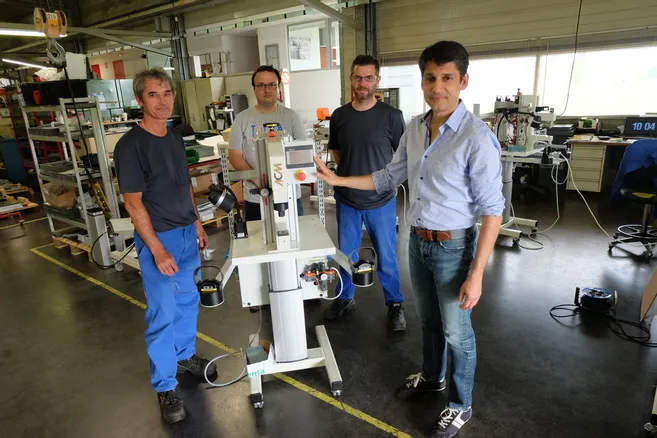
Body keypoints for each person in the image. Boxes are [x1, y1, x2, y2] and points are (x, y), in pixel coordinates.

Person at [314, 41, 504, 438]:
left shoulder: (475, 137)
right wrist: (338, 179)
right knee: (430, 322)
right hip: (418, 241)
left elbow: (492, 211)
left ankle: (460, 404)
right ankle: (433, 378)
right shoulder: (416, 128)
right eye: (431, 78)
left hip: (454, 246)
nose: (438, 87)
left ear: (463, 81)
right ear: (422, 82)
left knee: (457, 331)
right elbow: (387, 176)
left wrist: (478, 273)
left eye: (447, 78)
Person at [114, 68, 217, 425]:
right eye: (154, 94)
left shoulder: (174, 137)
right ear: (140, 100)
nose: (163, 100)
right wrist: (157, 249)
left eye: (167, 92)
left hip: (187, 233)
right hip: (159, 238)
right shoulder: (130, 146)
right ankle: (165, 386)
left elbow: (184, 184)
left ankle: (185, 355)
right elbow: (133, 203)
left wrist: (198, 221)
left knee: (189, 301)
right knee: (163, 312)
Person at [323, 55, 407, 331]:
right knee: (345, 254)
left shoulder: (392, 117)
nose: (363, 82)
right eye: (358, 77)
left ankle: (395, 304)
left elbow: (401, 157)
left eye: (368, 77)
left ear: (377, 81)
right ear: (351, 79)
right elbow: (337, 152)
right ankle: (346, 298)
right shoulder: (339, 116)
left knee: (387, 257)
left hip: (381, 201)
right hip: (347, 199)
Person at [229, 65, 307, 220]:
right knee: (258, 242)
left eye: (272, 84)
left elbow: (302, 153)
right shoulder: (242, 119)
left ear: (278, 87)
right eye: (261, 85)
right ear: (254, 89)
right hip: (256, 197)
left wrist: (281, 182)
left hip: (289, 194)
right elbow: (234, 156)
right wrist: (259, 181)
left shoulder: (291, 117)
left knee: (296, 240)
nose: (267, 89)